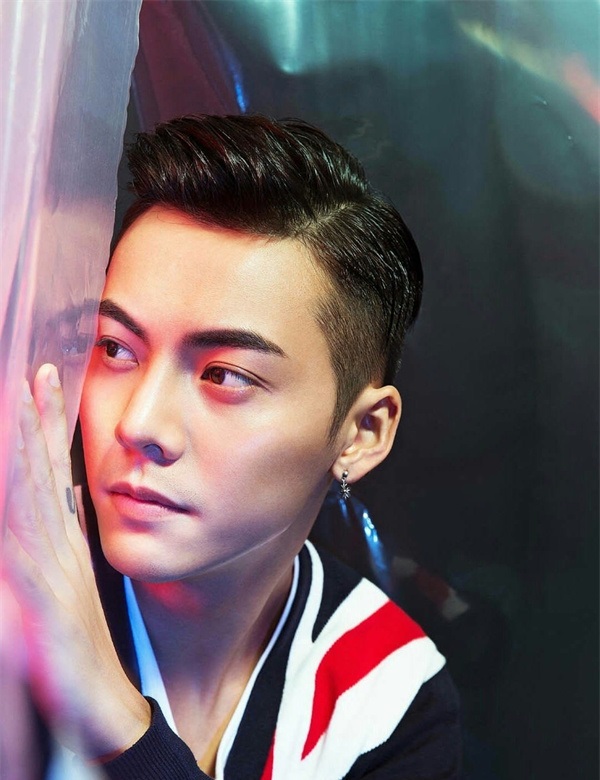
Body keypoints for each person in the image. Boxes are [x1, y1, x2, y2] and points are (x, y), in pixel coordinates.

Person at [6, 115, 461, 779]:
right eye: (115, 348)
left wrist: (117, 722)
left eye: (225, 376)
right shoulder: (12, 592)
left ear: (361, 433)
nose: (139, 424)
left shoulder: (385, 700)